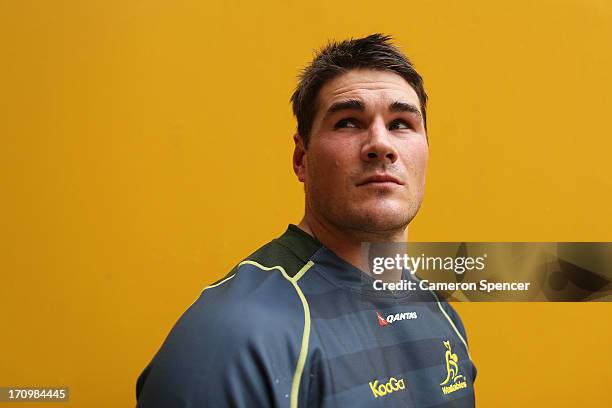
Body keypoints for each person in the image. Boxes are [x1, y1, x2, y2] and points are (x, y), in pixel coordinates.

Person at [136, 33, 476, 407]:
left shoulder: (440, 314)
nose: (381, 144)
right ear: (301, 159)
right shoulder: (233, 336)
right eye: (348, 122)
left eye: (400, 123)